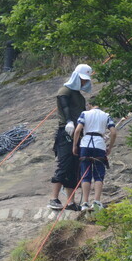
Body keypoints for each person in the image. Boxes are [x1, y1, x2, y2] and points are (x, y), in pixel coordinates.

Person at [49, 64, 93, 210]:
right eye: (82, 79)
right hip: (66, 132)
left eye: (86, 80)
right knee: (65, 164)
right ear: (76, 77)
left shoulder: (79, 96)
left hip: (78, 134)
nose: (84, 82)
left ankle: (70, 202)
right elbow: (64, 106)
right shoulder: (65, 90)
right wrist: (68, 121)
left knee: (75, 167)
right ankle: (53, 198)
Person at [71, 102, 117, 212]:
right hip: (99, 145)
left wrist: (74, 146)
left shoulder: (84, 114)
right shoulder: (106, 115)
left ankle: (85, 203)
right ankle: (96, 201)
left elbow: (77, 130)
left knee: (85, 174)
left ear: (90, 104)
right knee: (98, 175)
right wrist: (109, 147)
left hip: (85, 144)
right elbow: (114, 133)